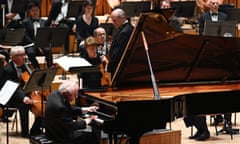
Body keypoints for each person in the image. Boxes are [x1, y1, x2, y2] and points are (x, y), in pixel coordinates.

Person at [0, 46, 43, 138]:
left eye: (24, 54)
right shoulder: (8, 70)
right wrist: (23, 97)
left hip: (25, 92)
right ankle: (25, 132)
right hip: (11, 96)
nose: (24, 57)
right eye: (21, 55)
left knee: (43, 102)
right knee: (24, 104)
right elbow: (13, 88)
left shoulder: (25, 65)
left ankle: (35, 129)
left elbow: (30, 80)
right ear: (13, 57)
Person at [22, 1, 53, 69]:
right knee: (30, 53)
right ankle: (37, 69)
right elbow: (25, 36)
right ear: (29, 11)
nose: (35, 12)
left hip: (42, 44)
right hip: (31, 44)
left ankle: (50, 67)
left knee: (48, 50)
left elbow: (46, 35)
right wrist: (36, 44)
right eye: (33, 10)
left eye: (37, 10)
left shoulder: (44, 22)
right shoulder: (25, 22)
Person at [107, 8, 133, 74]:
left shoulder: (125, 32)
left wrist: (109, 67)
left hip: (118, 69)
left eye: (114, 20)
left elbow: (118, 53)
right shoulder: (128, 28)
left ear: (122, 18)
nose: (113, 23)